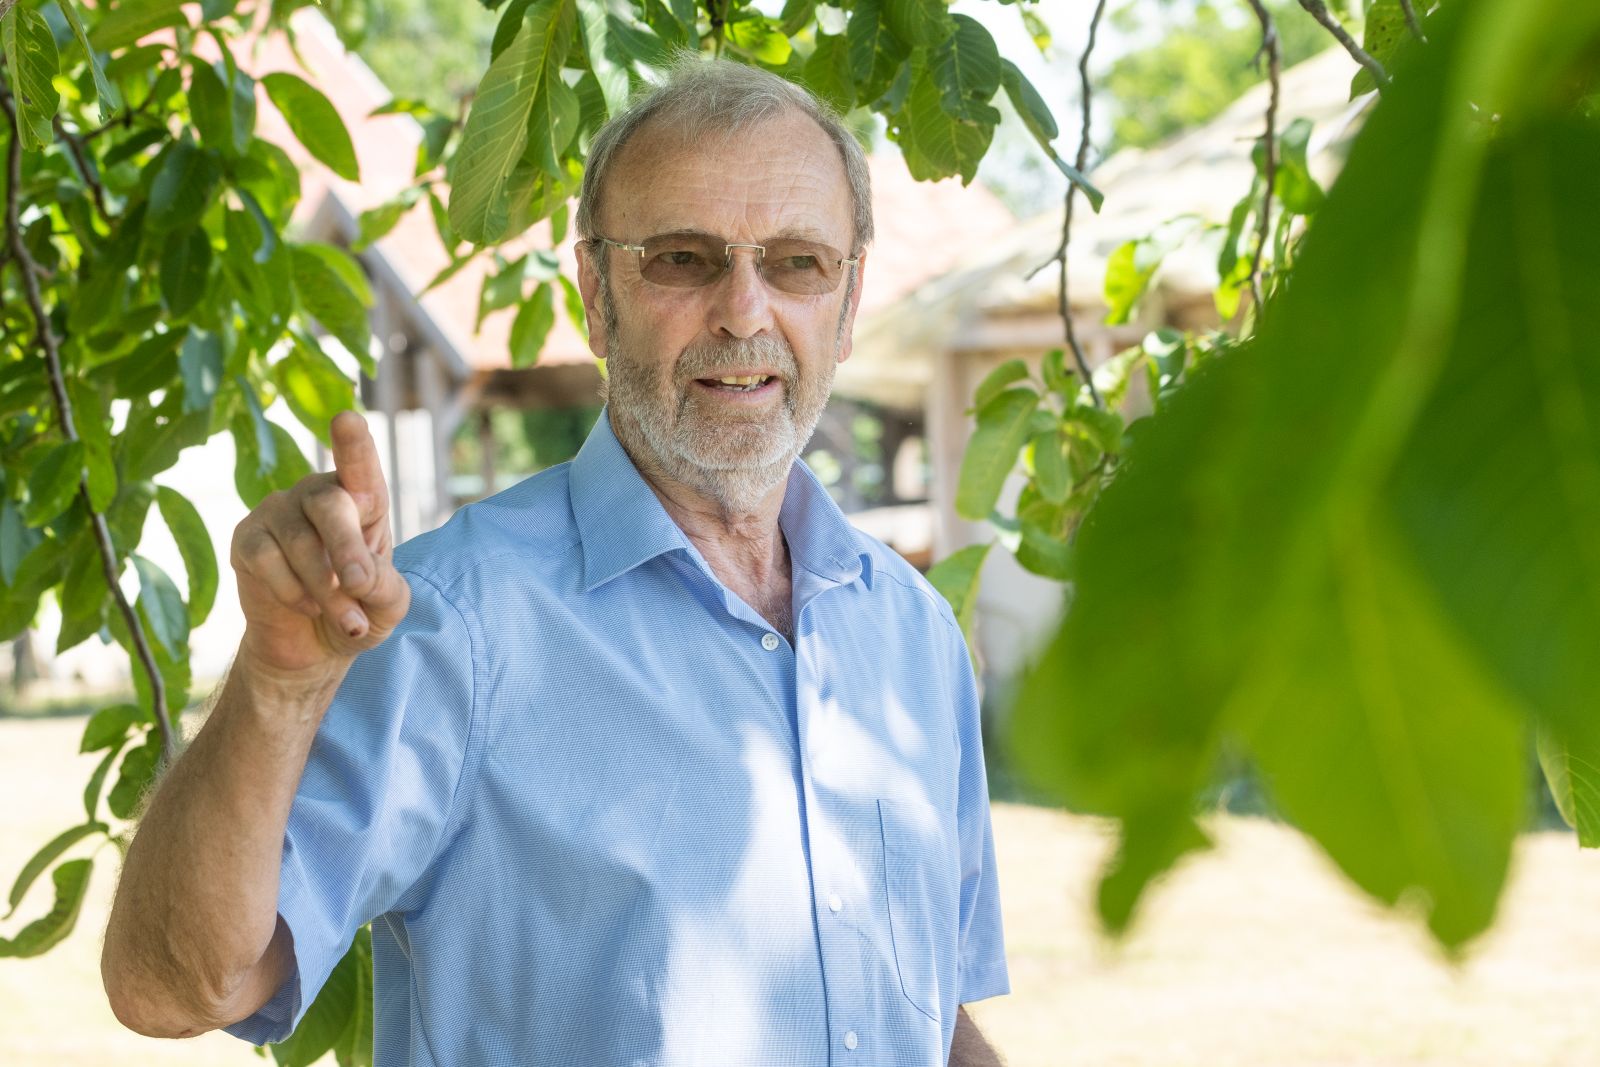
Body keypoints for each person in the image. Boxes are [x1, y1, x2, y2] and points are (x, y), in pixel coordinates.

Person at [101, 56, 1009, 1066]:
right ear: (595, 291)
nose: (745, 312)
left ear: (846, 306)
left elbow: (930, 1011)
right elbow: (170, 983)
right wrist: (275, 688)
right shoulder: (453, 622)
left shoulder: (913, 633)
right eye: (681, 258)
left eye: (797, 262)